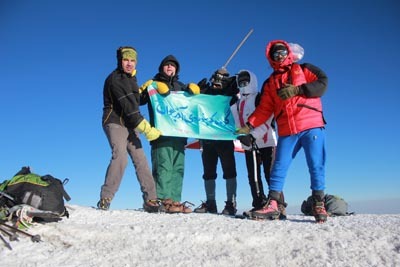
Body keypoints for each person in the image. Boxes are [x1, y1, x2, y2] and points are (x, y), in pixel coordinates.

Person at [236, 40, 329, 223]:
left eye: (281, 53)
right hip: (287, 130)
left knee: (316, 164)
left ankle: (319, 203)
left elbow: (323, 83)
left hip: (311, 125)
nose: (278, 56)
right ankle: (273, 204)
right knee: (278, 166)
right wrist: (249, 126)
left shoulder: (304, 69)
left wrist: (298, 89)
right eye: (274, 54)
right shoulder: (270, 83)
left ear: (288, 53)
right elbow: (264, 109)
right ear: (270, 58)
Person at [98, 46, 161, 212]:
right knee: (121, 156)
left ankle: (151, 199)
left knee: (140, 159)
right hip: (115, 121)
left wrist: (144, 92)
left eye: (132, 61)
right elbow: (130, 110)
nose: (129, 64)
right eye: (126, 60)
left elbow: (134, 101)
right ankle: (106, 197)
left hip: (130, 123)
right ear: (120, 61)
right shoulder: (116, 79)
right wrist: (149, 130)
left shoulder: (131, 78)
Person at [140, 55, 199, 213]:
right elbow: (139, 100)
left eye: (172, 66)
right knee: (163, 166)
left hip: (179, 135)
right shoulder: (154, 84)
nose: (169, 68)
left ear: (176, 69)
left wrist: (194, 92)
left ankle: (175, 201)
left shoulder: (181, 87)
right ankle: (162, 200)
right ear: (161, 68)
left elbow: (193, 106)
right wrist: (147, 88)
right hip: (162, 134)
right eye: (167, 65)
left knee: (178, 168)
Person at [231, 69, 287, 219]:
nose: (243, 84)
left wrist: (253, 136)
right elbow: (238, 123)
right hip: (248, 143)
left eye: (246, 81)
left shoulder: (259, 97)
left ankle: (278, 205)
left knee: (270, 173)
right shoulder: (238, 102)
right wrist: (232, 108)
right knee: (253, 175)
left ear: (252, 82)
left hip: (266, 141)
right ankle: (259, 202)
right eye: (240, 82)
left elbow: (268, 118)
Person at [193, 68, 239, 216]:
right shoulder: (205, 91)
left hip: (224, 137)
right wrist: (197, 89)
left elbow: (237, 100)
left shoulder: (230, 92)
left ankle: (231, 203)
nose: (218, 81)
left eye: (222, 78)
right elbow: (192, 100)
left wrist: (231, 85)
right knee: (208, 172)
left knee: (229, 170)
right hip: (207, 139)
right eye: (216, 77)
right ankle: (211, 203)